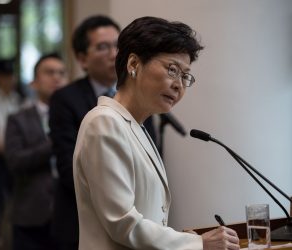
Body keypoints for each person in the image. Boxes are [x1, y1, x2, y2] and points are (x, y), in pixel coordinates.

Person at [73, 16, 241, 250]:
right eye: (172, 70)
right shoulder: (104, 122)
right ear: (133, 64)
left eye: (185, 76)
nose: (179, 85)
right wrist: (198, 243)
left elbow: (147, 216)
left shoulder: (136, 126)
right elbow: (123, 223)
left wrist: (179, 238)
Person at [49, 15, 157, 250]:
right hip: (81, 225)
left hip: (140, 224)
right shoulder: (66, 99)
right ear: (82, 59)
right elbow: (67, 166)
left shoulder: (142, 98)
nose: (113, 54)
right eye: (102, 47)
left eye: (118, 45)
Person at [4, 53, 67, 250]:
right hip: (30, 216)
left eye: (61, 73)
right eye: (49, 72)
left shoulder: (77, 117)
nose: (56, 77)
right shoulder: (18, 119)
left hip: (68, 215)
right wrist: (52, 143)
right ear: (34, 82)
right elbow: (15, 161)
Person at [0, 58, 22, 249]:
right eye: (4, 77)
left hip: (17, 160)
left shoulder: (18, 100)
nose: (8, 80)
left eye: (10, 76)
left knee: (16, 203)